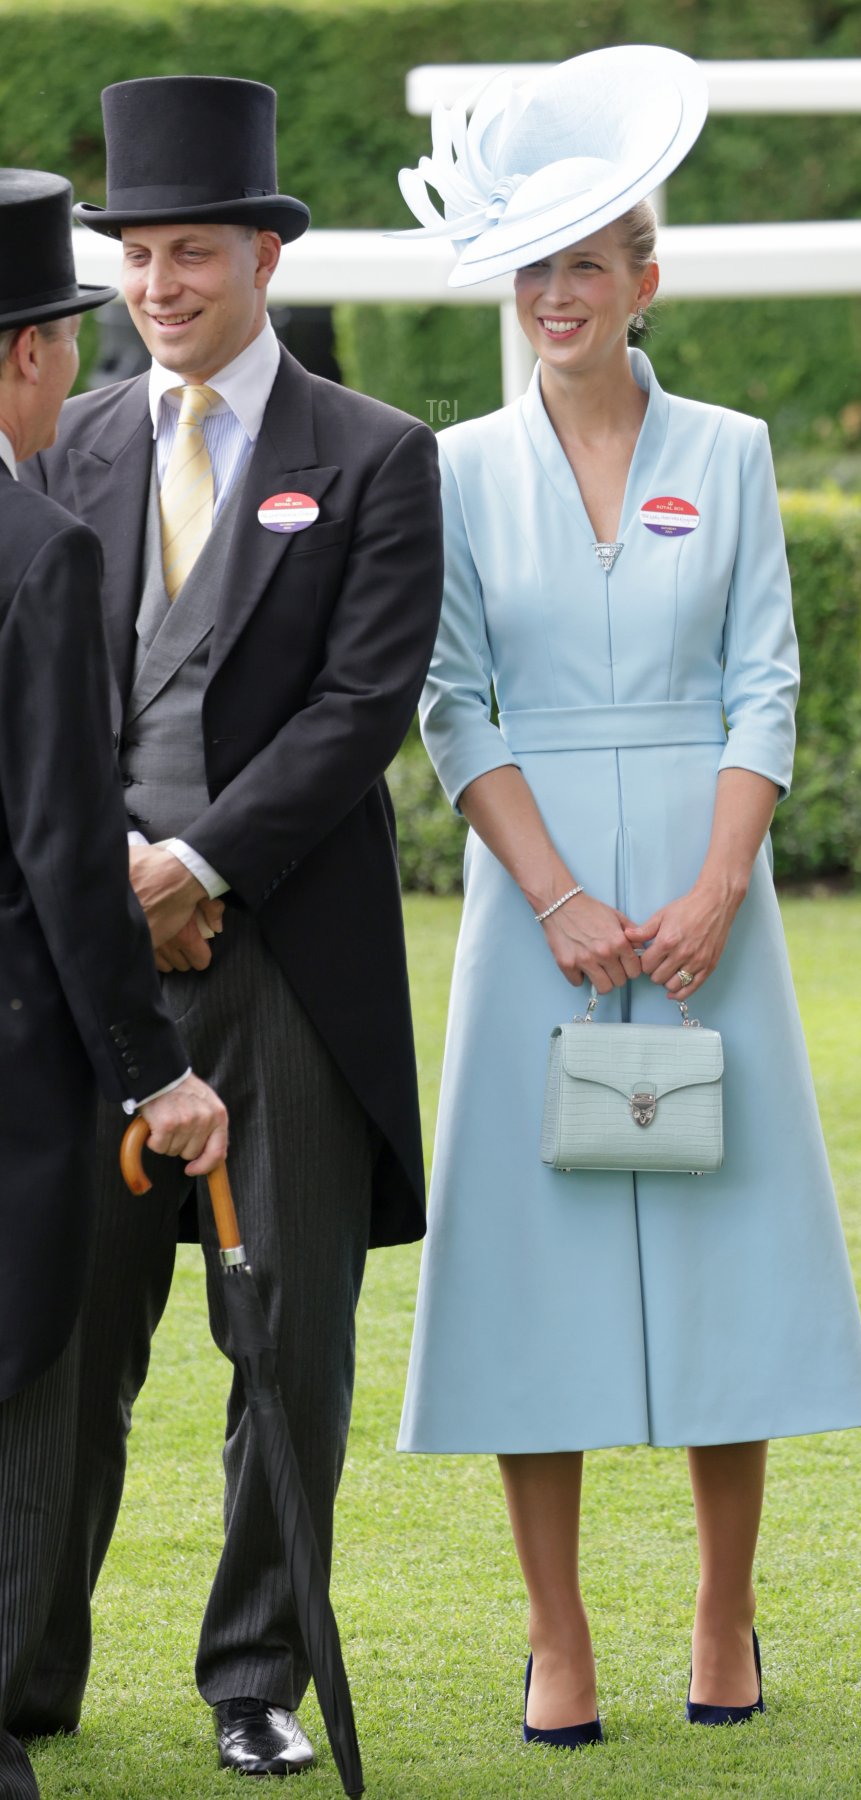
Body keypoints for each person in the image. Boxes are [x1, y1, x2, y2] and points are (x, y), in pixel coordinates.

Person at [392, 45, 861, 1747]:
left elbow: (768, 682)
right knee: (542, 1261)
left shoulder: (731, 450)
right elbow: (450, 699)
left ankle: (724, 1610)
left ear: (644, 276)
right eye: (534, 266)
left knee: (721, 1239)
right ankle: (555, 1635)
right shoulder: (451, 467)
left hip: (702, 901)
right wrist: (554, 902)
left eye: (587, 262)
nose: (556, 293)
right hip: (539, 913)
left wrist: (715, 887)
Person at [16, 78, 443, 1778]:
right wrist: (117, 878)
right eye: (133, 252)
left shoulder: (378, 456)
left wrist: (197, 867)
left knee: (286, 1345)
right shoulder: (78, 436)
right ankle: (22, 1670)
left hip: (289, 969)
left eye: (192, 249)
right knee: (63, 1331)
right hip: (93, 966)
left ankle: (256, 1676)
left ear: (264, 255)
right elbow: (45, 699)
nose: (157, 282)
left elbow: (361, 712)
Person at [0, 168, 227, 1800]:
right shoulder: (38, 553)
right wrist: (160, 1073)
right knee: (20, 1382)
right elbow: (70, 859)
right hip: (18, 1062)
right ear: (29, 356)